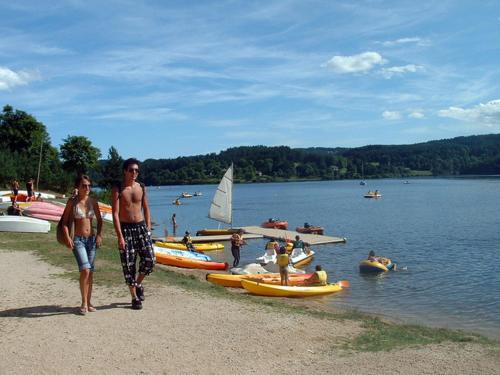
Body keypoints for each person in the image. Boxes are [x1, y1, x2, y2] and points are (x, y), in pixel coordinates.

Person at [112, 158, 155, 310]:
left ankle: (138, 284)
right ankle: (134, 297)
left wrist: (148, 228)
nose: (134, 173)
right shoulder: (118, 188)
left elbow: (146, 208)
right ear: (125, 171)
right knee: (129, 264)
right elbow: (115, 214)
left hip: (141, 227)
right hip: (126, 229)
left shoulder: (141, 187)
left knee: (150, 259)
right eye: (131, 170)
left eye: (136, 170)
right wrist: (120, 236)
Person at [61, 175, 103, 315]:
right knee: (85, 270)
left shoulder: (93, 202)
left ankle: (89, 302)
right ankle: (84, 303)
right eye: (84, 185)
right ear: (78, 187)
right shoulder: (72, 203)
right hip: (78, 240)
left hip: (91, 240)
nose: (87, 188)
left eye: (89, 185)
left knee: (90, 272)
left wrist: (99, 235)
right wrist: (68, 237)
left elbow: (100, 220)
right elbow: (65, 222)